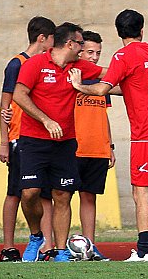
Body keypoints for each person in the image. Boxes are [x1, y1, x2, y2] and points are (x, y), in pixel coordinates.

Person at [69, 9, 148, 262]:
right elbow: (131, 86)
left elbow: (104, 88)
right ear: (142, 30)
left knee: (140, 192)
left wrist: (79, 85)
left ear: (118, 32)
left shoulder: (123, 56)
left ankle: (144, 250)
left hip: (146, 133)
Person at [13, 22, 104, 262]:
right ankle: (35, 237)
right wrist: (45, 120)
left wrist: (82, 85)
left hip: (65, 142)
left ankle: (62, 250)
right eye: (81, 43)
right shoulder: (35, 64)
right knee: (30, 193)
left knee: (63, 194)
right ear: (70, 44)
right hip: (34, 140)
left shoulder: (79, 67)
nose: (83, 49)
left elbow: (110, 74)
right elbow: (19, 95)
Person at [0, 16, 56, 262]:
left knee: (47, 193)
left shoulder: (49, 64)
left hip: (43, 139)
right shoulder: (17, 64)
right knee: (16, 193)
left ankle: (48, 246)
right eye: (53, 39)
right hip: (20, 139)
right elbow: (5, 104)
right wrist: (4, 141)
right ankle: (9, 247)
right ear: (42, 38)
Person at [74, 30, 115, 261]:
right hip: (73, 147)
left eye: (98, 53)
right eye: (90, 52)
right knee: (61, 197)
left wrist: (110, 146)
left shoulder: (102, 81)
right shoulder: (70, 76)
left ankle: (89, 246)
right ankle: (55, 246)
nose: (94, 57)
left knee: (89, 197)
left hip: (97, 147)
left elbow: (104, 115)